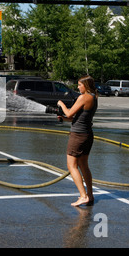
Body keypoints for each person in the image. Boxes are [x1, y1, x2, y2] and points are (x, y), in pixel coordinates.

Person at [57, 75, 98, 207]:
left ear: (85, 85)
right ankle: (90, 195)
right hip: (87, 134)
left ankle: (83, 196)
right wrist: (63, 118)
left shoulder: (83, 97)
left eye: (80, 85)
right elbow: (76, 118)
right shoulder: (93, 97)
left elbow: (69, 113)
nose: (78, 87)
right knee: (83, 165)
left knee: (71, 165)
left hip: (78, 136)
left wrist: (61, 104)